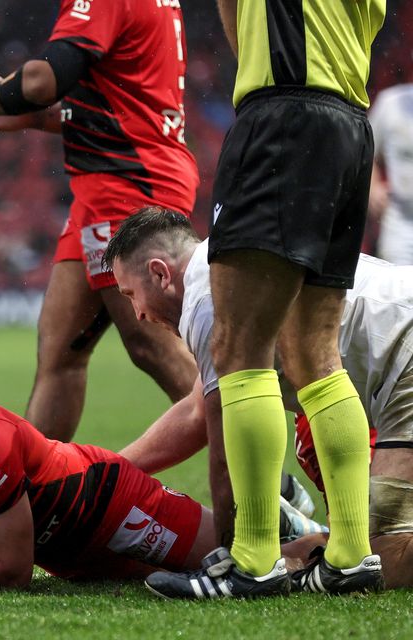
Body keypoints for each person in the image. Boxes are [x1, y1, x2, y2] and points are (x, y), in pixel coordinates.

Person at [131, 0, 388, 599]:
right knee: (316, 355)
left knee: (239, 348)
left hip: (283, 113)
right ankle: (351, 555)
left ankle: (254, 560)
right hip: (349, 123)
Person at [0, 0, 199, 443]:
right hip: (107, 185)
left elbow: (42, 79)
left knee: (152, 345)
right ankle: (38, 494)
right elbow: (113, 104)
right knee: (61, 353)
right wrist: (24, 116)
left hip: (128, 183)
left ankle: (269, 486)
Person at [104, 208, 394, 593]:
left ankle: (279, 548)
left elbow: (225, 444)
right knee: (355, 537)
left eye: (131, 295)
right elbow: (195, 412)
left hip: (402, 358)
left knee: (390, 554)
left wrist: (230, 555)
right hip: (391, 354)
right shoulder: (225, 267)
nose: (137, 314)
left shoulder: (210, 300)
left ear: (160, 273)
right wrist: (108, 472)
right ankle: (303, 535)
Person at [0, 391, 324, 588]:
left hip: (105, 505)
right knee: (156, 585)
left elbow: (11, 572)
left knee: (241, 563)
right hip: (63, 550)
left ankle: (341, 546)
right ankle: (283, 516)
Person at [367, 83, 413, 265]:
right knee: (399, 291)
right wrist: (373, 187)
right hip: (399, 220)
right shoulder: (390, 102)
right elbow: (366, 149)